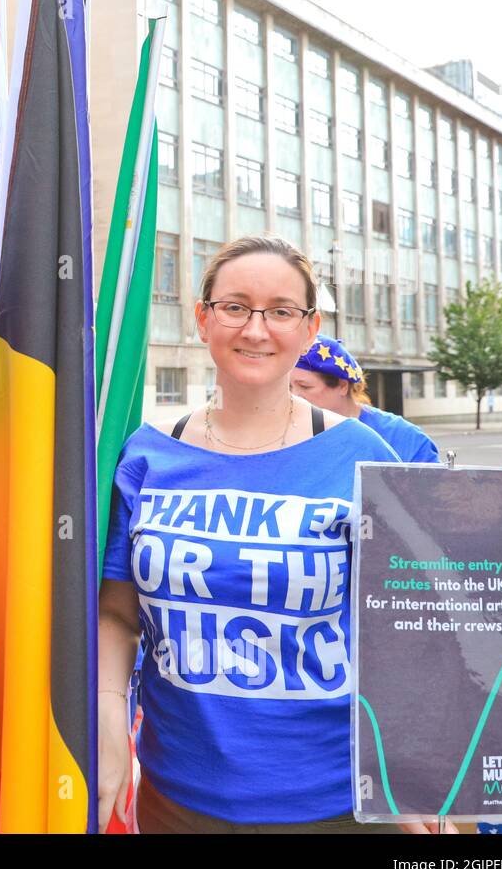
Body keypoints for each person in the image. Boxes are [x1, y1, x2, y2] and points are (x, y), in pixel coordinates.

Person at [97, 235, 449, 834]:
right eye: (235, 306)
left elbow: (413, 622)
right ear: (203, 318)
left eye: (281, 311)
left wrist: (411, 773)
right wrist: (107, 726)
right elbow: (120, 617)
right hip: (177, 797)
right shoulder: (145, 455)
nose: (256, 330)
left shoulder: (365, 455)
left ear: (310, 329)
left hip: (337, 801)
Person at [289, 334, 441, 464]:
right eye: (288, 388)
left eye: (305, 387)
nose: (293, 396)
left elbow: (433, 493)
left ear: (342, 385)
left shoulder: (404, 437)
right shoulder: (282, 433)